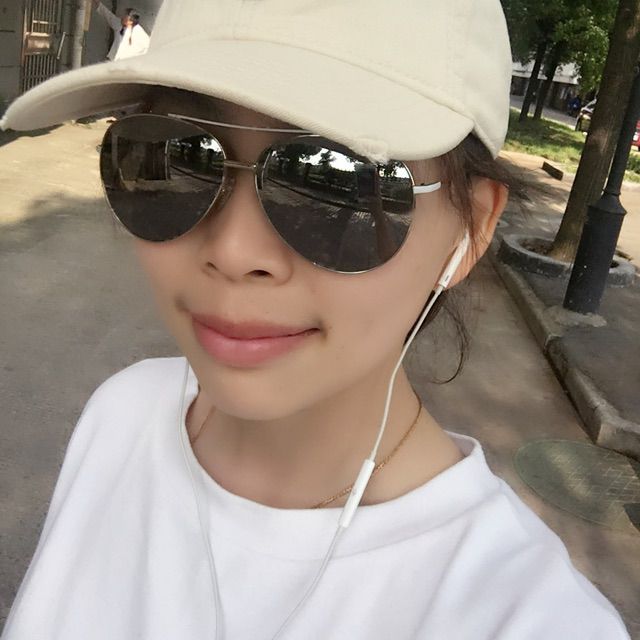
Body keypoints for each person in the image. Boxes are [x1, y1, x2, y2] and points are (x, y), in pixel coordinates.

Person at [0, 1, 631, 638]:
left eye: (342, 184)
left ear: (471, 230)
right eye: (181, 156)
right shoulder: (121, 416)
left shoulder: (529, 618)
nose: (234, 252)